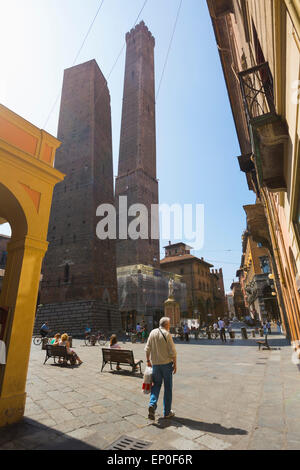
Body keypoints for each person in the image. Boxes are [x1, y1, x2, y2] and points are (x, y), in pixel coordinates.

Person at [145, 317, 177, 420]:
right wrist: (175, 365)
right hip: (166, 365)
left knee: (156, 385)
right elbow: (173, 352)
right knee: (168, 387)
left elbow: (147, 348)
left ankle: (152, 404)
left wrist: (148, 361)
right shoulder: (167, 334)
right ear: (167, 325)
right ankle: (167, 412)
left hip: (155, 365)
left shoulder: (152, 332)